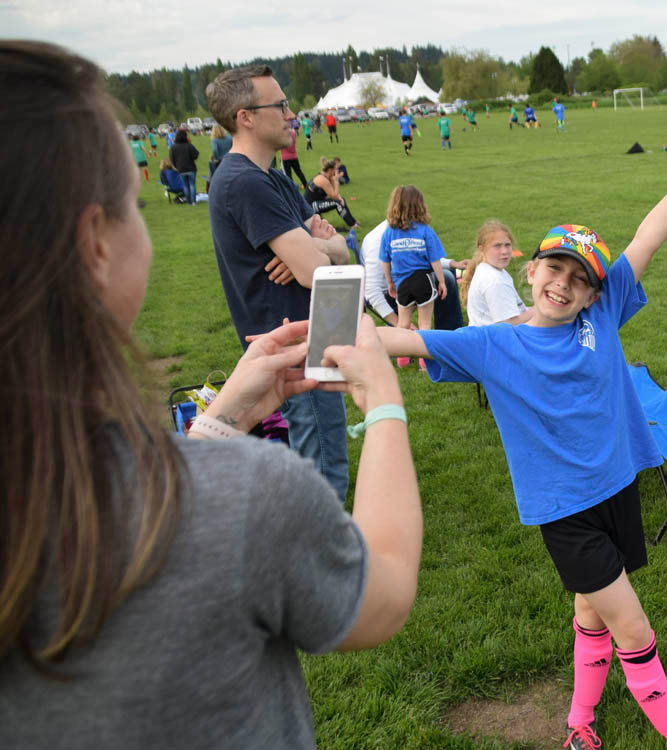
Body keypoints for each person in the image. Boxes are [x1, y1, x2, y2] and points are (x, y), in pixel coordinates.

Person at [0, 39, 422, 750]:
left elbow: (331, 248)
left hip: (264, 373)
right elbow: (380, 594)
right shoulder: (246, 497)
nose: (291, 113)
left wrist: (217, 424)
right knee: (323, 463)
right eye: (130, 204)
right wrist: (383, 403)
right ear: (95, 245)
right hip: (297, 352)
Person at [363, 115, 667, 750]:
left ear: (594, 294)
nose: (564, 284)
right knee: (633, 628)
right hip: (565, 510)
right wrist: (316, 340)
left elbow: (648, 236)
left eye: (580, 279)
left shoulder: (601, 314)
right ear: (530, 271)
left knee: (591, 611)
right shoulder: (494, 346)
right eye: (555, 268)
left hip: (617, 488)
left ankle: (579, 725)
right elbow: (398, 341)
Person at [206, 64, 352, 497]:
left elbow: (342, 251)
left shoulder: (272, 178)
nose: (292, 114)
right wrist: (314, 252)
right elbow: (318, 271)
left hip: (313, 339)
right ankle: (320, 542)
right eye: (281, 105)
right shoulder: (243, 182)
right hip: (293, 351)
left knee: (324, 459)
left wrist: (317, 248)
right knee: (323, 473)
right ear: (245, 117)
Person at [378, 185, 447, 371]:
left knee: (403, 324)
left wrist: (390, 282)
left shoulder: (389, 233)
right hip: (423, 280)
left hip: (402, 284)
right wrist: (441, 282)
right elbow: (435, 260)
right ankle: (425, 363)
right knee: (425, 324)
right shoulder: (425, 231)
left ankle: (402, 359)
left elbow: (385, 261)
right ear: (420, 205)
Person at [361, 219, 466, 333]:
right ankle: (437, 334)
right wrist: (396, 322)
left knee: (447, 276)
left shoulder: (405, 228)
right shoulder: (377, 241)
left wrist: (452, 263)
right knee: (424, 323)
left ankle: (449, 334)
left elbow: (426, 258)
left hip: (403, 284)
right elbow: (371, 291)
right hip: (390, 293)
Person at [460, 220, 532, 326]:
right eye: (497, 246)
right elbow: (507, 325)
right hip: (495, 336)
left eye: (507, 245)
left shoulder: (489, 269)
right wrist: (536, 311)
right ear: (482, 249)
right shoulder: (494, 281)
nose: (504, 251)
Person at [305, 156, 359, 229]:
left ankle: (353, 222)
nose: (336, 171)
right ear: (330, 170)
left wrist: (340, 198)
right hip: (311, 206)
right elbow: (333, 196)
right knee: (338, 203)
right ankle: (352, 225)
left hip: (317, 202)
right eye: (335, 169)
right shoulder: (322, 180)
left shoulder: (328, 176)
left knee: (341, 200)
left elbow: (335, 195)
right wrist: (336, 182)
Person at [169, 128, 199, 206]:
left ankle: (188, 202)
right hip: (191, 168)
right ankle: (194, 202)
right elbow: (196, 155)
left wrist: (176, 166)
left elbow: (172, 159)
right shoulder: (189, 145)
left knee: (185, 186)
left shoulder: (173, 147)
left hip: (181, 168)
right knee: (192, 185)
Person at [280, 128, 309, 192]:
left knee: (288, 174)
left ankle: (291, 188)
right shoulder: (293, 132)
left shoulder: (283, 133)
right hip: (294, 156)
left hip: (285, 157)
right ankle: (305, 184)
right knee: (298, 171)